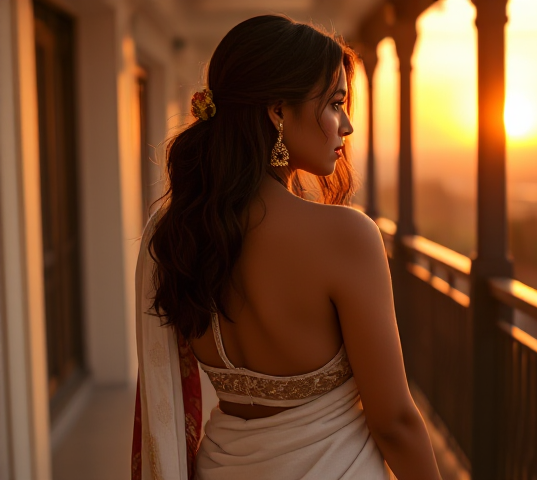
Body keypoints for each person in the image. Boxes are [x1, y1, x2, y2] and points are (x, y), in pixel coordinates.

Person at [132, 14, 442, 480]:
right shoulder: (346, 237)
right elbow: (394, 421)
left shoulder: (176, 232)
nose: (348, 125)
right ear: (278, 111)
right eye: (336, 103)